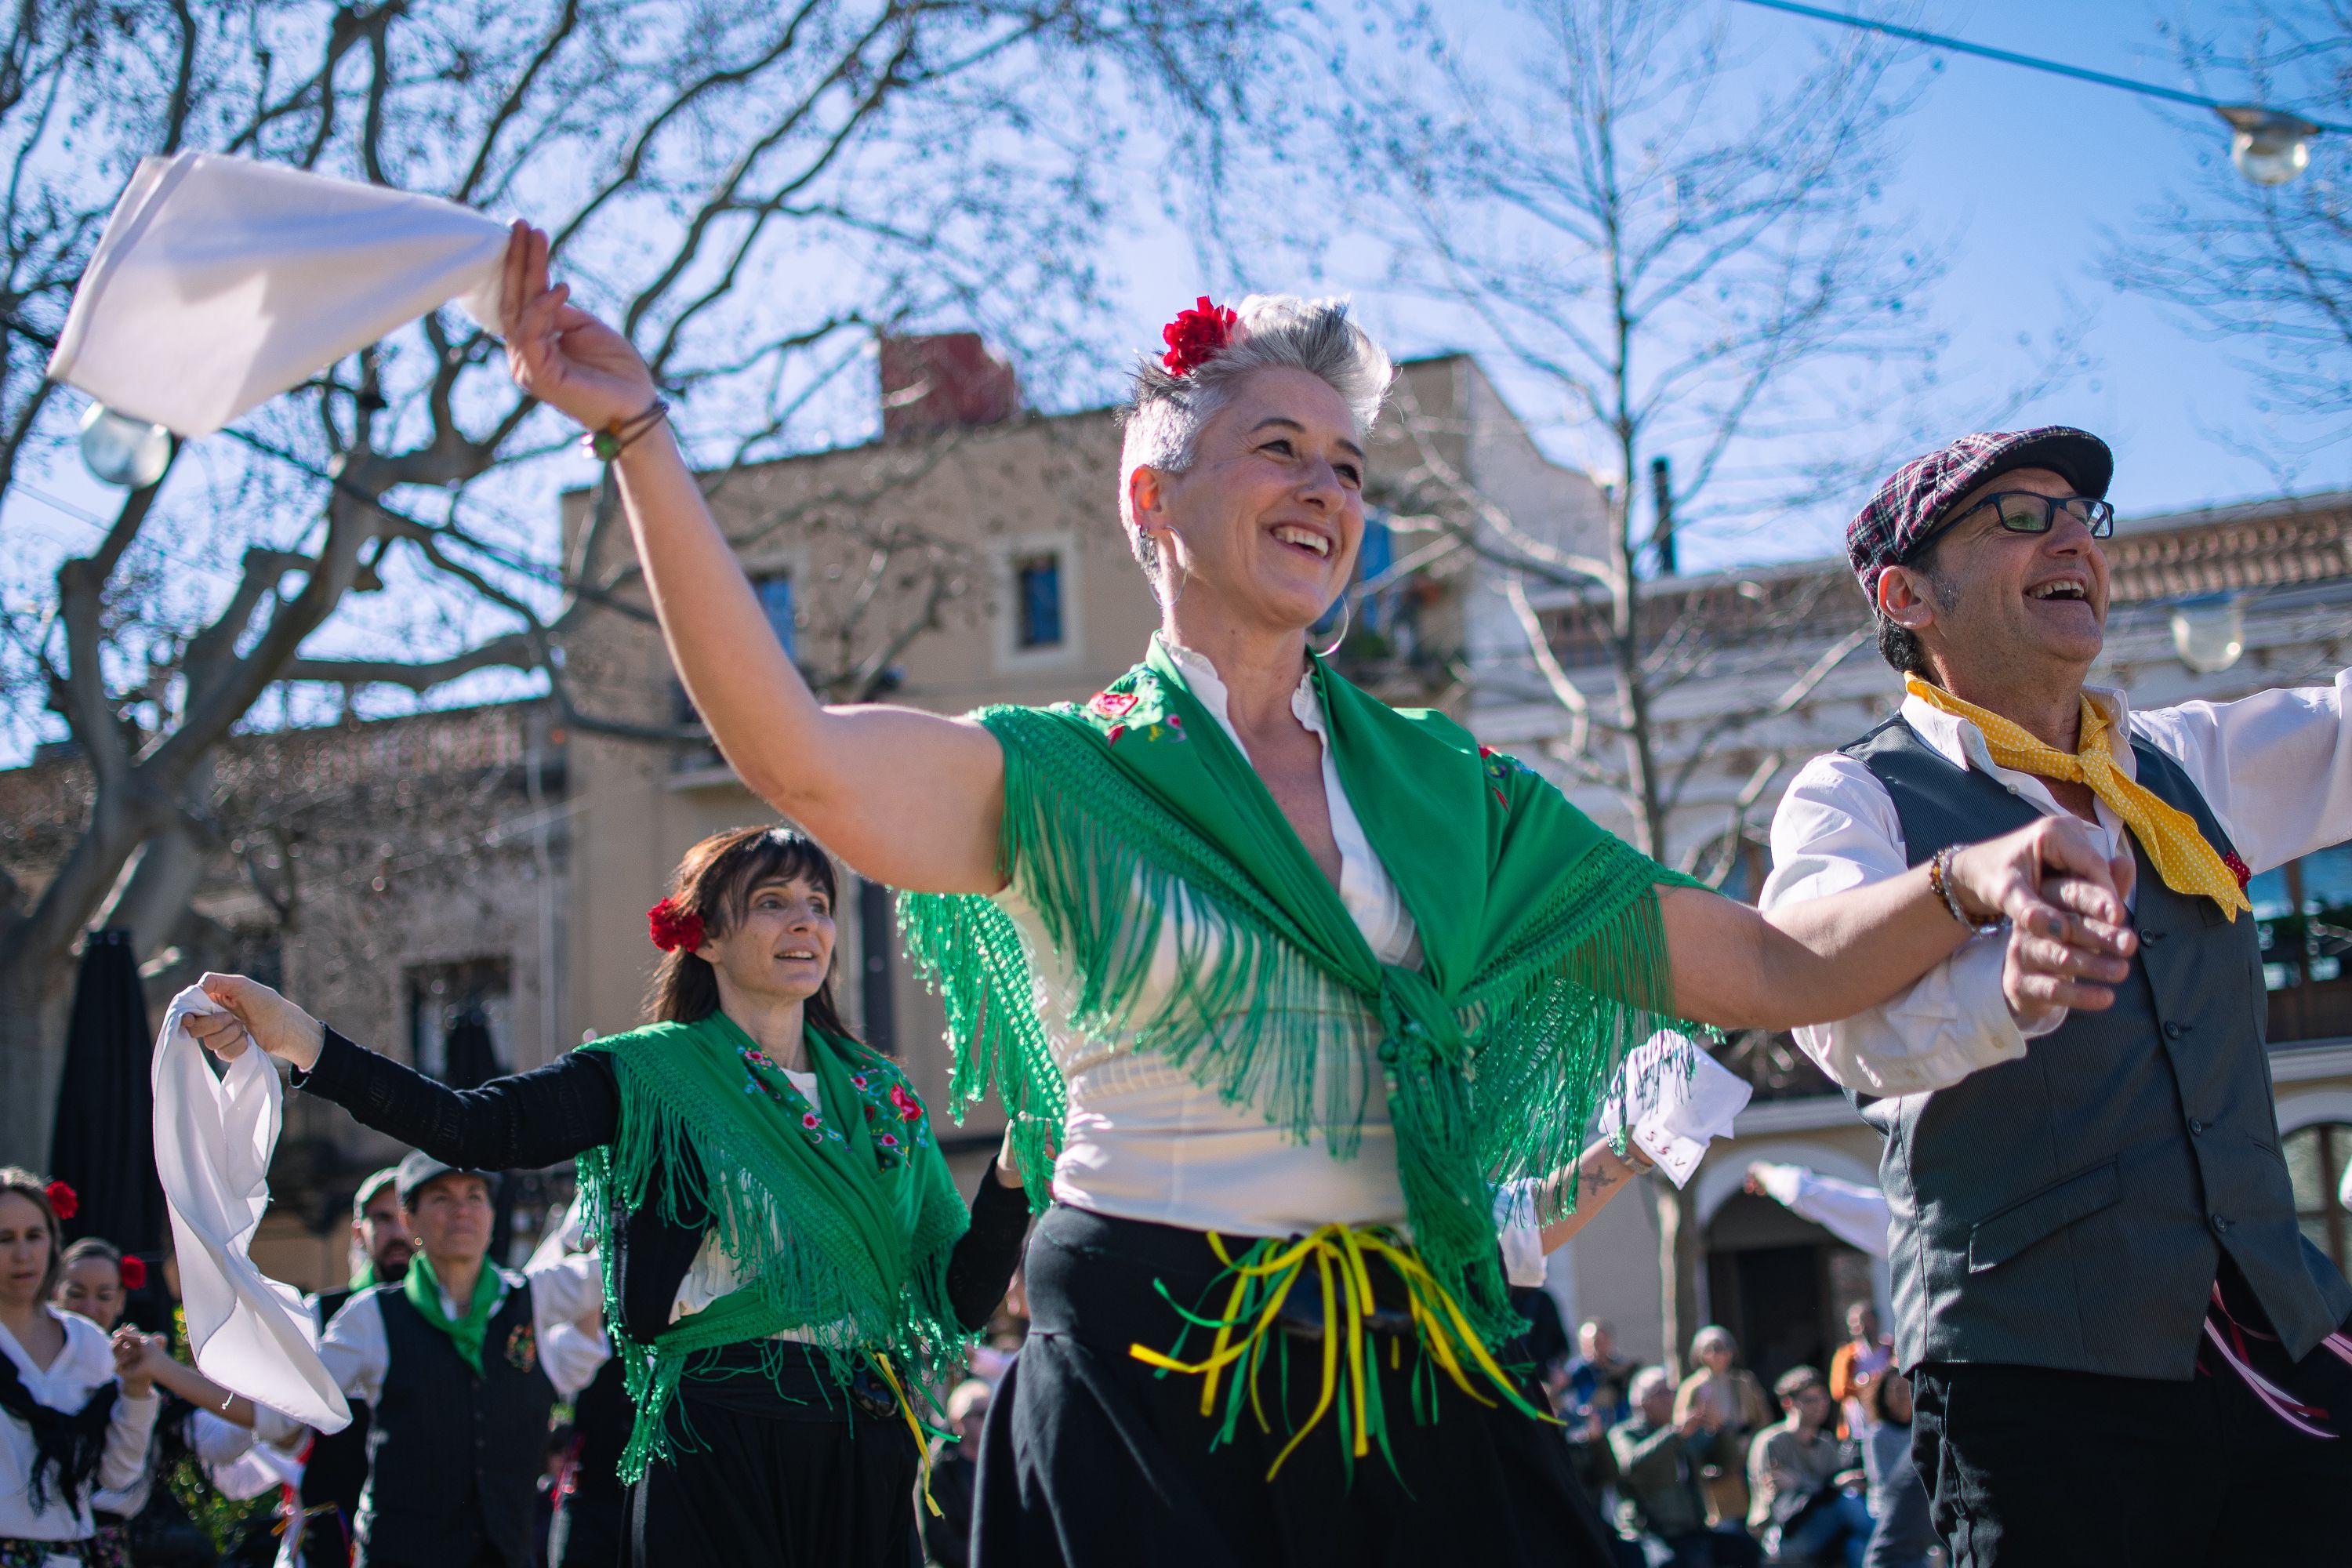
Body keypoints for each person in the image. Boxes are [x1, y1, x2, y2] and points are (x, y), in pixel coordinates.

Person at [484, 222, 2133, 1565]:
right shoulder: (1060, 774)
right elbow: (797, 758)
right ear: (1152, 498)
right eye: (1278, 447)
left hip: (1418, 1359)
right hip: (1150, 1366)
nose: (1328, 492)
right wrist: (638, 437)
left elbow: (1772, 960)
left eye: (1349, 466)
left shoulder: (1447, 791)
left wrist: (1967, 873)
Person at [1762, 426, 2352, 1566]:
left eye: (2083, 514)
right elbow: (1815, 987)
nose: (2074, 532)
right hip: (2036, 1385)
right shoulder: (1853, 792)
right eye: (2020, 517)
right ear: (1907, 594)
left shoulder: (2181, 770)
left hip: (2283, 1348)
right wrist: (1998, 978)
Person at [186, 824, 1035, 1568]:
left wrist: (1010, 1170)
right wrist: (305, 1040)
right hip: (720, 1432)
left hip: (862, 1437)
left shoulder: (882, 1095)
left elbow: (955, 1296)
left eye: (819, 901)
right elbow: (472, 1127)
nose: (806, 919)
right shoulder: (646, 1075)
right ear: (701, 935)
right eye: (773, 901)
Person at [0, 1170, 161, 1567]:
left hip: (71, 1553)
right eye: (4, 1239)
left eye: (34, 1236)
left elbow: (116, 1475)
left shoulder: (88, 1343)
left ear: (53, 1242)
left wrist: (137, 1392)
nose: (23, 1255)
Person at [296, 1167, 412, 1568]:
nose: (397, 1233)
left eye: (404, 1216)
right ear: (358, 1232)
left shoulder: (451, 1318)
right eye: (382, 1218)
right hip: (337, 1534)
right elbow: (282, 1421)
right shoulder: (321, 1314)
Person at [1609, 1367, 1760, 1568]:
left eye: (1672, 1392)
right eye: (1662, 1393)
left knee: (1746, 1548)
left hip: (1693, 1530)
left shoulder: (1684, 1432)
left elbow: (1728, 1461)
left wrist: (1719, 1429)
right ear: (1641, 1402)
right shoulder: (1624, 1433)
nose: (1671, 1399)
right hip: (1650, 1533)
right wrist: (1675, 1434)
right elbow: (1632, 1466)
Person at [1748, 1367, 1870, 1568]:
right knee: (1847, 1502)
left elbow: (1827, 1493)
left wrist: (1803, 1483)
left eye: (1823, 1398)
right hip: (1783, 1534)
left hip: (1823, 1530)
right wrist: (1830, 1486)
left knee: (1856, 1545)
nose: (1820, 1405)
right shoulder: (1771, 1443)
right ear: (1789, 1403)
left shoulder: (1827, 1443)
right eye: (1811, 1400)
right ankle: (1891, 1538)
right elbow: (1781, 1505)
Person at [1675, 1326, 1772, 1528]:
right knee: (1727, 1515)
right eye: (1712, 1349)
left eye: (1723, 1348)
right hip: (1714, 1455)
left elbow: (1763, 1418)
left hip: (1745, 1448)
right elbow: (1681, 1425)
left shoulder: (1744, 1381)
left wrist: (1750, 1441)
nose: (1718, 1354)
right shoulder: (1692, 1386)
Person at [1852, 1363, 1933, 1568]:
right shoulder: (1878, 1434)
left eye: (1904, 1389)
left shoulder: (1922, 1430)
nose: (1901, 1396)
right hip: (1886, 1507)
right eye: (1894, 1390)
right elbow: (1884, 1480)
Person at [924, 1379, 991, 1568]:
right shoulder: (940, 1472)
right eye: (981, 1414)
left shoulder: (1007, 1463)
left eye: (993, 1411)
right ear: (958, 1421)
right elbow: (940, 1541)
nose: (990, 1420)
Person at [1828, 1303, 1892, 1440]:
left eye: (1866, 1323)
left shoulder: (1892, 1350)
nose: (1862, 1329)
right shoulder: (1845, 1355)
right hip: (1857, 1429)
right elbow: (1838, 1391)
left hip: (1889, 1424)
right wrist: (1866, 1385)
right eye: (1855, 1325)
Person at [1566, 1320, 1639, 1430]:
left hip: (1620, 1428)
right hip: (1588, 1432)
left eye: (1602, 1342)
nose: (1599, 1348)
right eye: (1595, 1343)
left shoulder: (1622, 1369)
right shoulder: (1576, 1373)